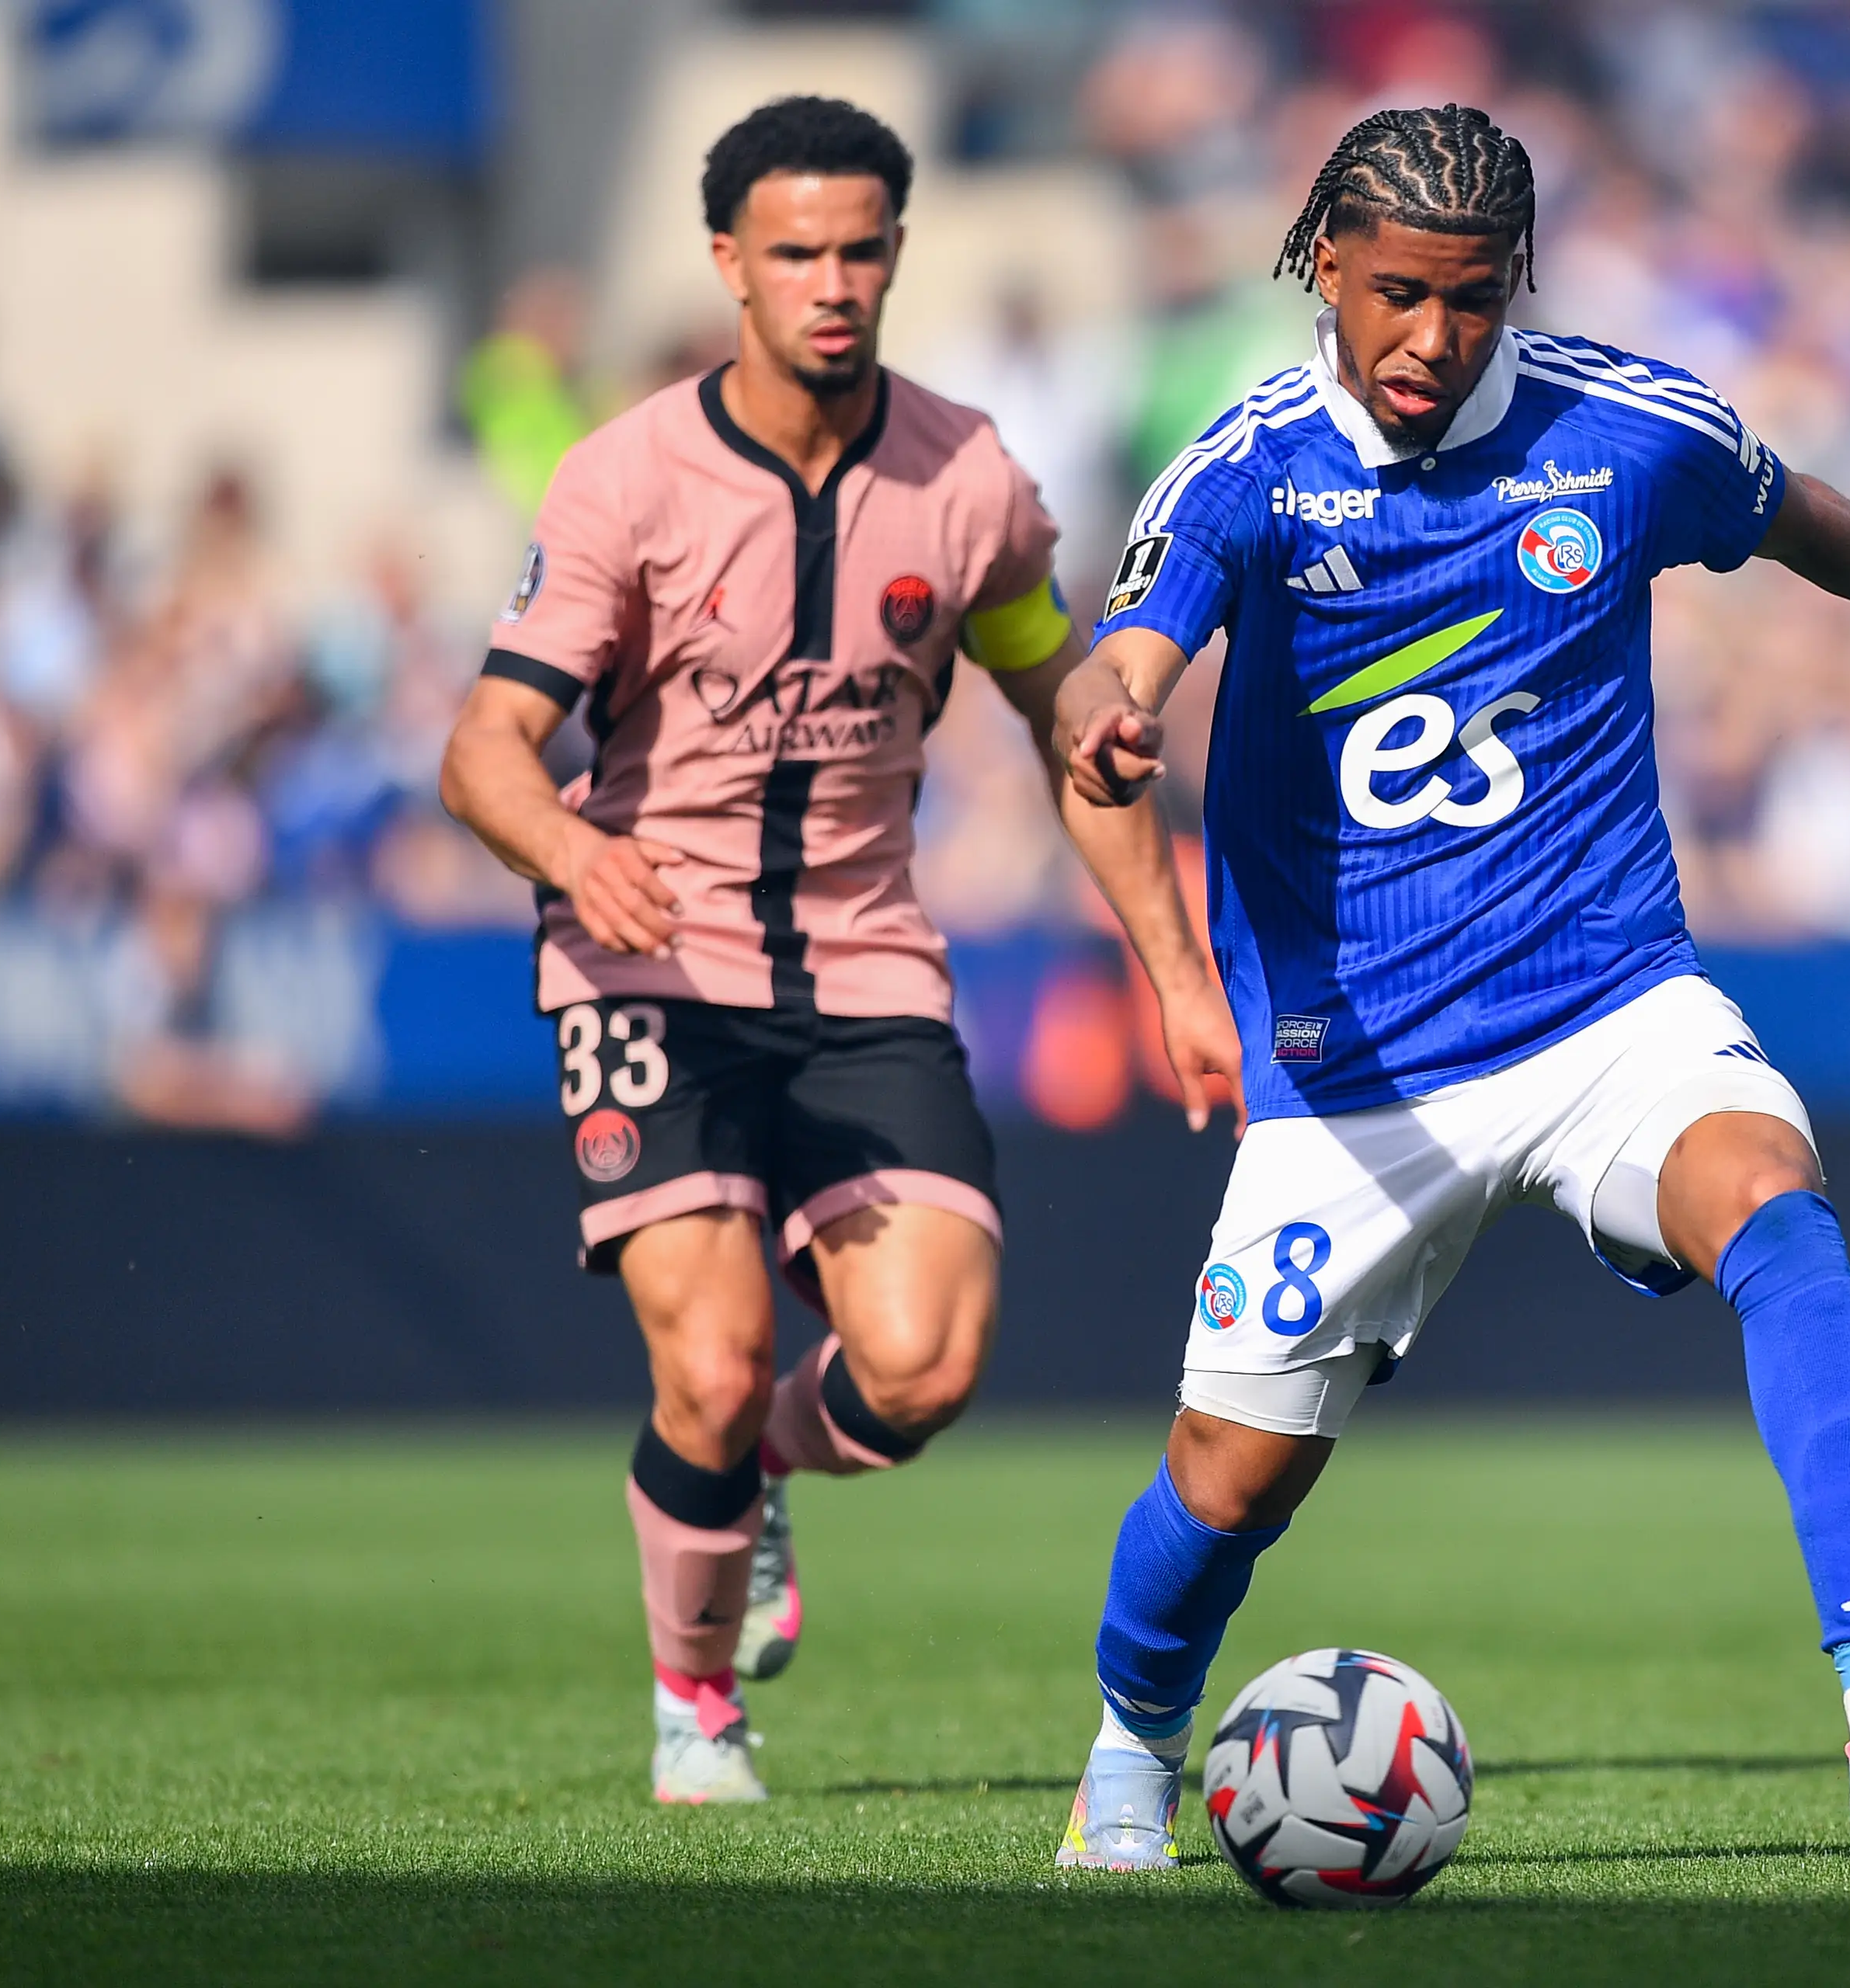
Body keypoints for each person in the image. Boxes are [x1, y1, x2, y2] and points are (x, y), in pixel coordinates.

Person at [1049, 104, 1850, 1872]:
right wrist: (1117, 715)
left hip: (1606, 996)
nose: (1430, 340)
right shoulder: (1242, 467)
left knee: (1774, 1201)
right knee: (1229, 1484)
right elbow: (1119, 667)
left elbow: (1788, 512)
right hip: (1350, 1067)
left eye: (1469, 300)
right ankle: (1130, 1751)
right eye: (1395, 295)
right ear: (1323, 267)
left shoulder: (1626, 428)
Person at [439, 96, 1236, 1806]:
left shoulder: (971, 483)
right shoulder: (625, 479)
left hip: (868, 968)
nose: (832, 282)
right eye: (795, 251)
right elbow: (483, 754)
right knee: (711, 1359)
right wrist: (580, 848)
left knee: (926, 1363)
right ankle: (696, 1698)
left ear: (895, 255)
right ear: (729, 263)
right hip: (649, 962)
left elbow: (1060, 701)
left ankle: (748, 1476)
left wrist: (1176, 964)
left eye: (862, 249)